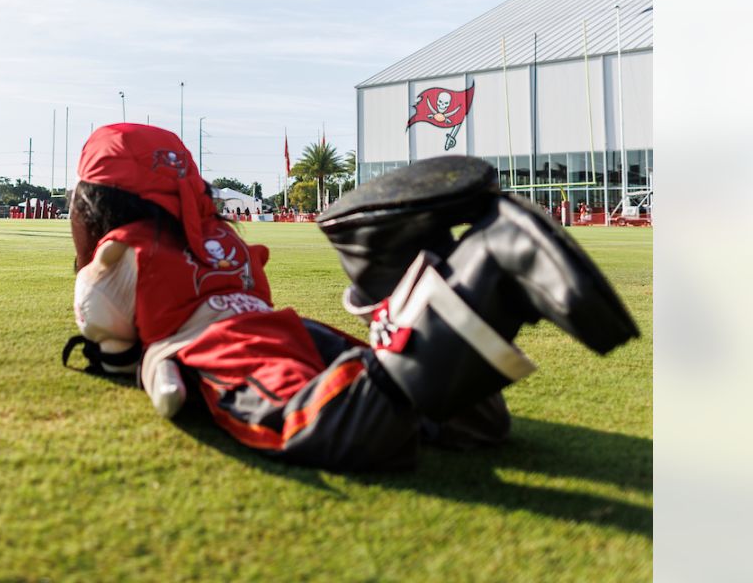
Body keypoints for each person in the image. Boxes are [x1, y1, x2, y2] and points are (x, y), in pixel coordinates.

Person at [63, 124, 637, 471]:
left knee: (338, 425)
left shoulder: (125, 247)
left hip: (225, 350)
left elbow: (103, 319)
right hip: (288, 329)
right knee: (463, 422)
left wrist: (118, 352)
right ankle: (402, 269)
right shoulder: (216, 233)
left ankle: (486, 270)